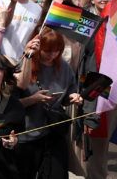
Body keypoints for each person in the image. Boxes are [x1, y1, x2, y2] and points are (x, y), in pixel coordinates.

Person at [15, 29, 81, 178]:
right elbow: (12, 103)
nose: (52, 55)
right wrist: (33, 99)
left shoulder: (63, 66)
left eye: (57, 51)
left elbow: (68, 92)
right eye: (47, 51)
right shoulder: (26, 63)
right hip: (27, 133)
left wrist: (73, 97)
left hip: (53, 132)